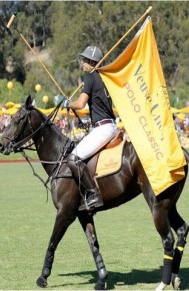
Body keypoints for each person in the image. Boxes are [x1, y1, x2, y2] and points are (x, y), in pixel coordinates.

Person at [63, 45, 117, 212]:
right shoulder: (105, 78)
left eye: (85, 60)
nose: (82, 62)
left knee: (73, 159)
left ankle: (93, 194)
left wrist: (68, 103)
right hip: (110, 126)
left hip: (103, 129)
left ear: (92, 62)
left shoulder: (90, 77)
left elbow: (80, 104)